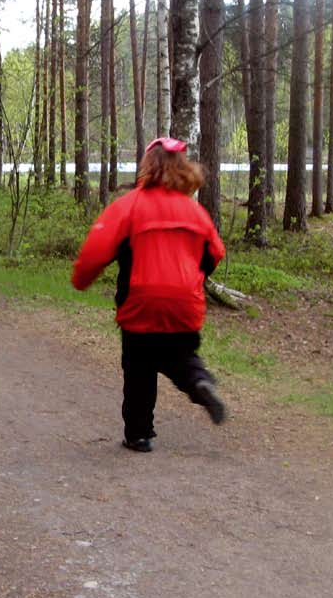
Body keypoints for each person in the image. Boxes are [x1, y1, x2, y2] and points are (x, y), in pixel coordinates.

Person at [71, 136, 228, 453]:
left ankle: (139, 434)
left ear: (147, 165)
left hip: (140, 301)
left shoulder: (128, 206)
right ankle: (199, 382)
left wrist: (81, 280)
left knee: (139, 365)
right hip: (185, 302)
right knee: (181, 355)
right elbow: (215, 252)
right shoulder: (194, 212)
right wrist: (192, 279)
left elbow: (95, 252)